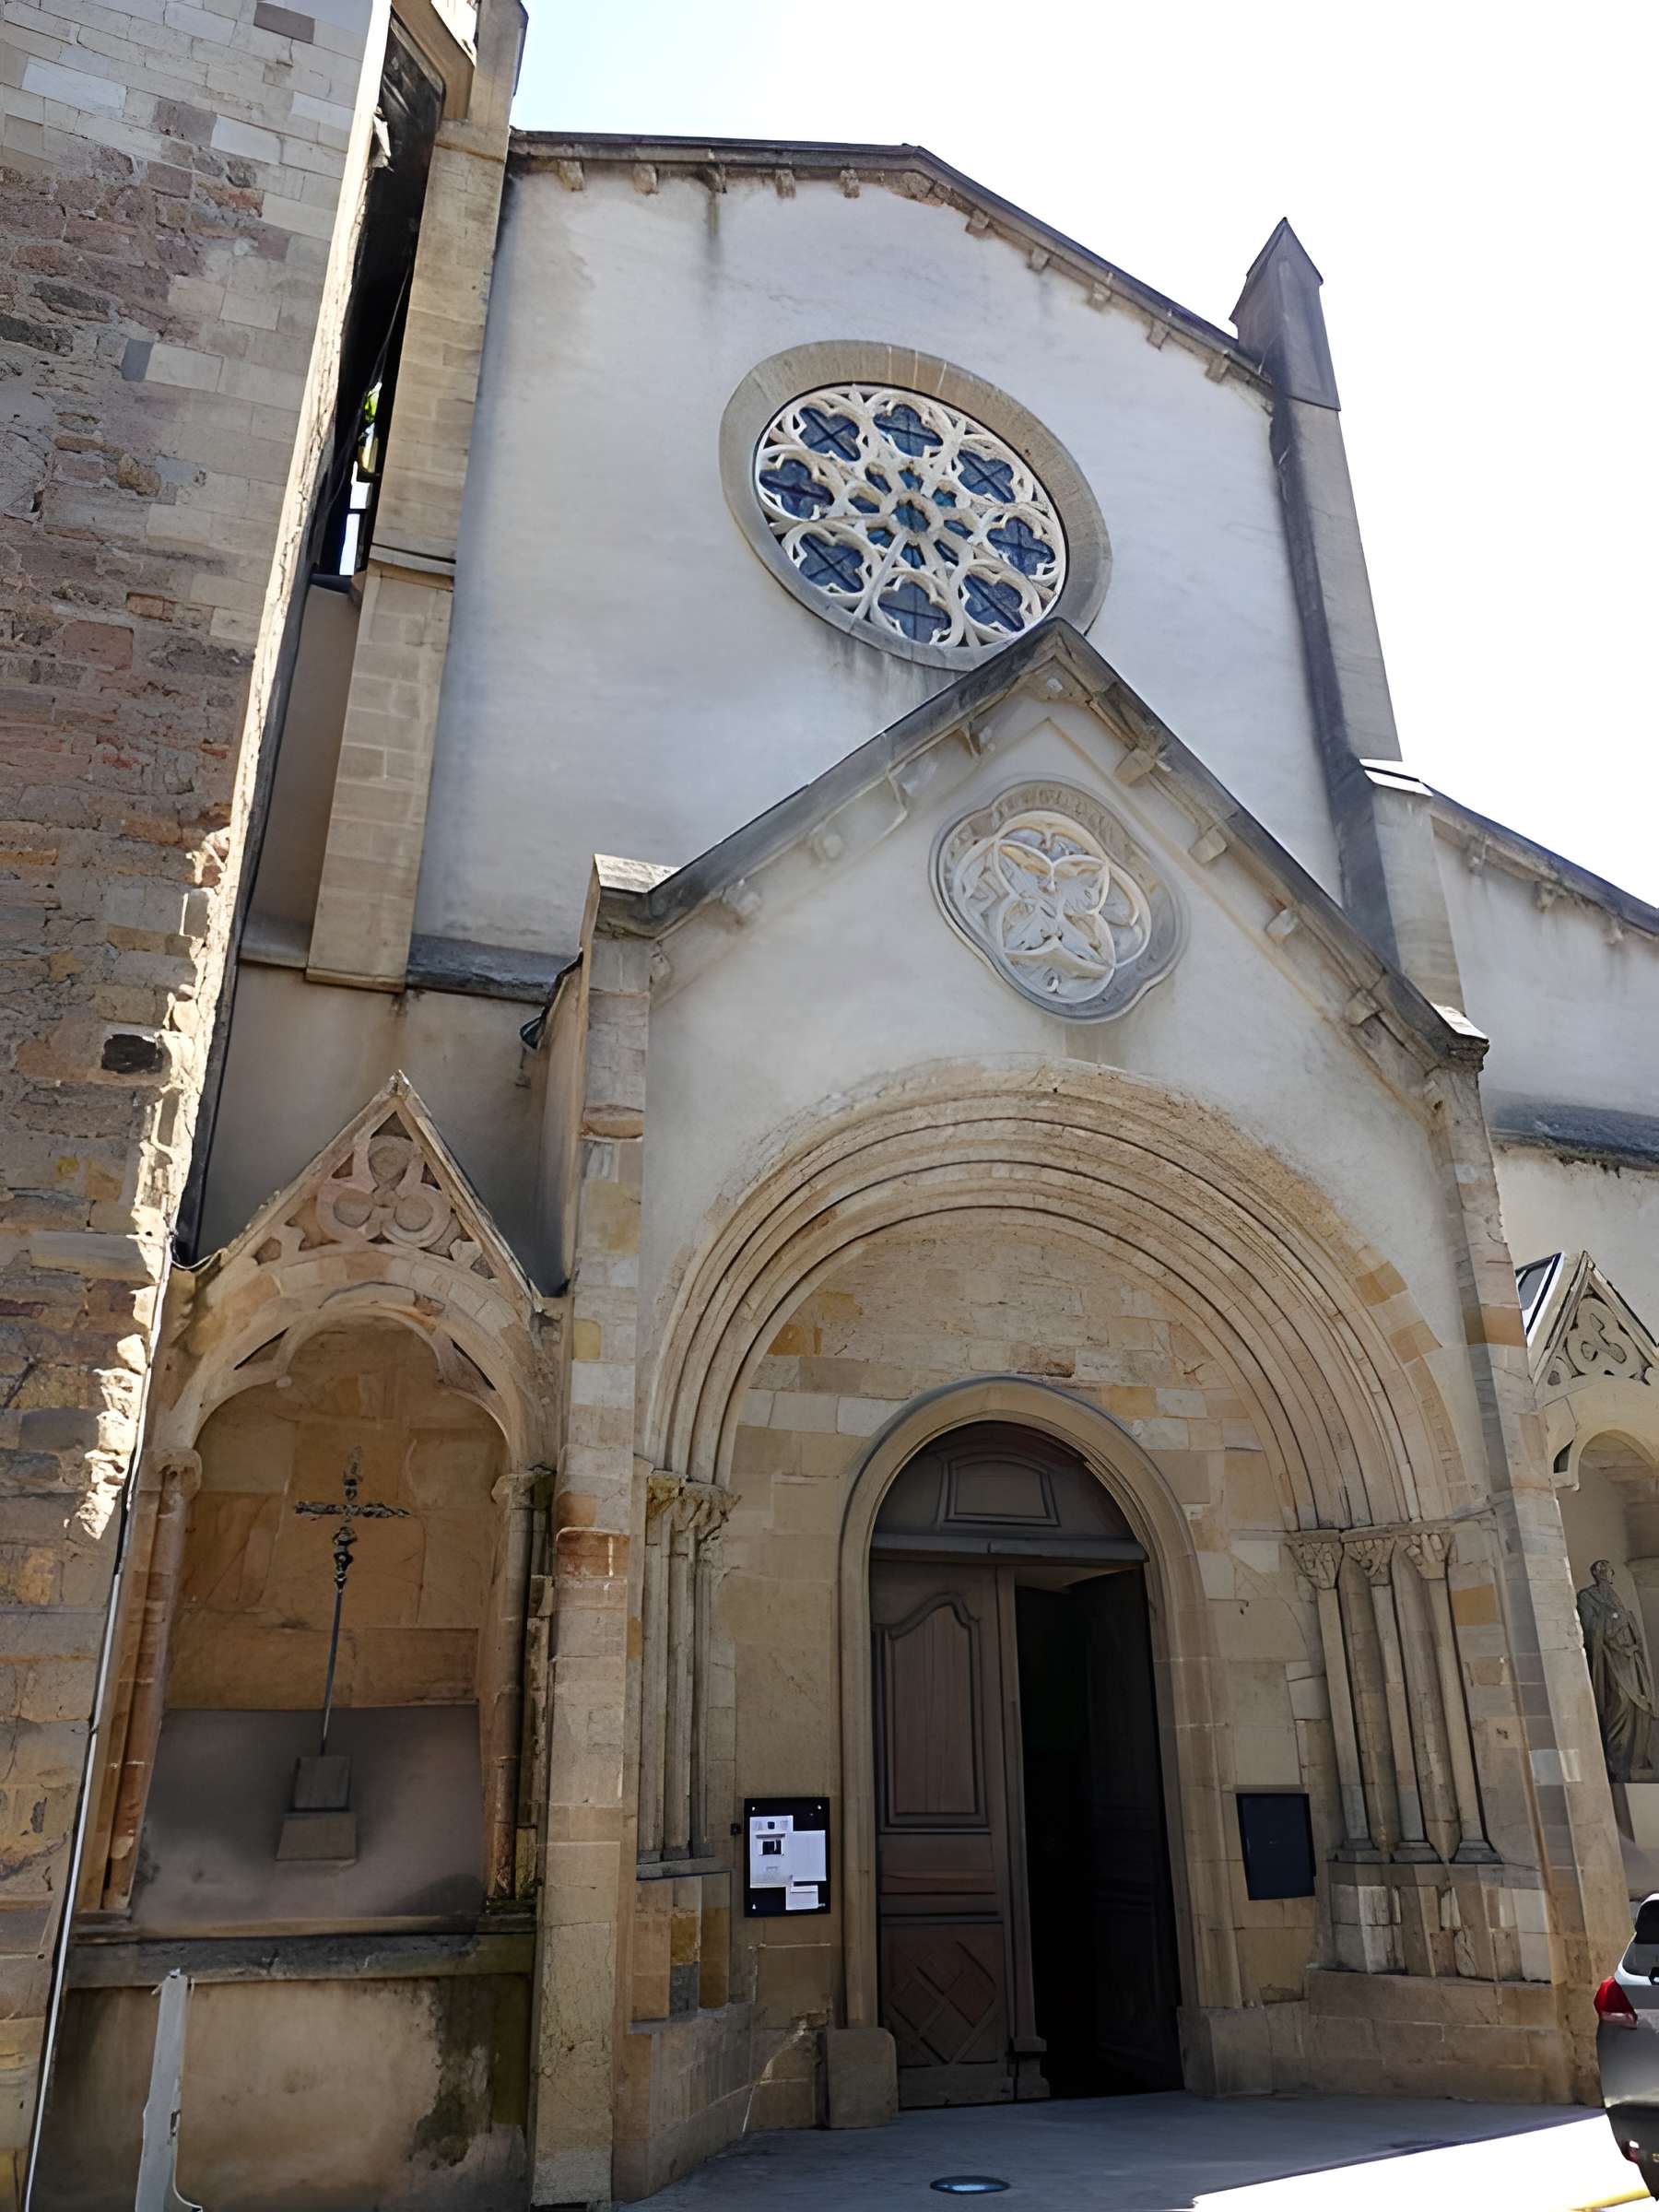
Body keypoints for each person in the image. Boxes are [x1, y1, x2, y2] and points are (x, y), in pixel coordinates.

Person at [1578, 1559, 1656, 1783]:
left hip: (1629, 1658)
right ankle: (1618, 1761)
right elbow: (1591, 1629)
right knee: (1620, 1701)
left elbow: (1628, 1623)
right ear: (1595, 1573)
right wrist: (1611, 1620)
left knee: (1640, 1706)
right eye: (1602, 1569)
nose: (1606, 1572)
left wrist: (1625, 1625)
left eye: (1608, 1569)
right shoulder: (1587, 1596)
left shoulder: (1615, 1596)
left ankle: (1637, 1762)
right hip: (1610, 1659)